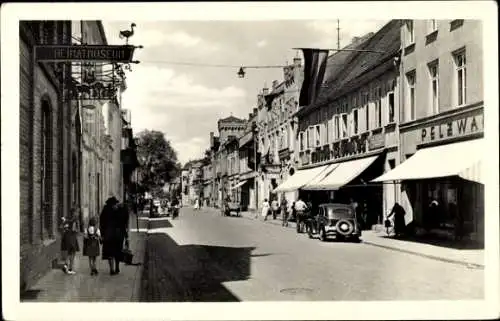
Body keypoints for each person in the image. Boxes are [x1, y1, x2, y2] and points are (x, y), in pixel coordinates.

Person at [100, 197, 129, 275]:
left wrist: (102, 235)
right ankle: (114, 268)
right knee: (115, 252)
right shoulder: (116, 210)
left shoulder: (106, 210)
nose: (116, 204)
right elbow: (124, 222)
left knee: (111, 252)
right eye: (115, 203)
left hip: (110, 235)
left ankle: (113, 268)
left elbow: (101, 223)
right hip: (115, 234)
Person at [60, 209, 80, 275]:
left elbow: (61, 227)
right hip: (72, 237)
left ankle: (65, 266)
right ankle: (70, 269)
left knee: (69, 252)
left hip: (66, 237)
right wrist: (77, 230)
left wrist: (66, 229)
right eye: (77, 212)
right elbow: (74, 230)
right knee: (73, 253)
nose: (77, 213)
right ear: (74, 213)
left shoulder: (66, 219)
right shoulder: (75, 220)